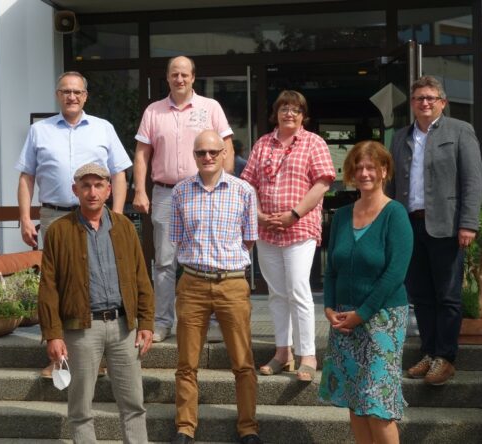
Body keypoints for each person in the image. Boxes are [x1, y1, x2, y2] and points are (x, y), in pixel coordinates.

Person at [16, 71, 132, 377]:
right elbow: (26, 176)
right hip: (55, 216)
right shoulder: (40, 131)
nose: (72, 96)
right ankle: (59, 357)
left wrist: (116, 216)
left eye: (77, 92)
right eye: (66, 91)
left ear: (85, 96)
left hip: (97, 216)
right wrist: (25, 217)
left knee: (98, 283)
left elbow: (119, 173)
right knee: (57, 286)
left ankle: (100, 356)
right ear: (57, 95)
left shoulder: (103, 128)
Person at [38, 162, 154, 444]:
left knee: (134, 404)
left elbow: (141, 276)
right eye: (86, 186)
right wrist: (53, 334)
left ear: (109, 190)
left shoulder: (124, 226)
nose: (92, 192)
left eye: (99, 185)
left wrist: (146, 322)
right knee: (80, 407)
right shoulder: (58, 231)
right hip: (81, 328)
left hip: (123, 326)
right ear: (75, 190)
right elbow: (48, 287)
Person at [386, 75, 482, 385]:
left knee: (448, 296)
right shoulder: (401, 136)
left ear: (442, 102)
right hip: (408, 224)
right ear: (412, 104)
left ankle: (446, 357)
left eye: (430, 97)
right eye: (418, 98)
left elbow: (472, 180)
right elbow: (391, 184)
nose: (424, 103)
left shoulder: (460, 131)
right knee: (421, 295)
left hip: (446, 225)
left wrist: (468, 223)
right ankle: (428, 353)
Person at [133, 55, 234, 344]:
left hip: (202, 190)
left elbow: (225, 146)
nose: (179, 79)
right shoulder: (154, 111)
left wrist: (223, 185)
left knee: (207, 256)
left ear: (193, 77)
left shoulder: (210, 107)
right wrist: (140, 190)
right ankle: (163, 322)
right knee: (164, 261)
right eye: (174, 74)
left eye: (184, 74)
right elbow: (142, 154)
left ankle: (210, 321)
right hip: (165, 192)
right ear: (167, 78)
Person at [169, 130, 261, 444]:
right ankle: (185, 427)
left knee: (243, 363)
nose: (207, 157)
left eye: (213, 152)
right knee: (186, 363)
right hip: (192, 283)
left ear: (224, 153)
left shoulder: (244, 191)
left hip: (232, 283)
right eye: (200, 153)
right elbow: (178, 238)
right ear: (193, 156)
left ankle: (248, 428)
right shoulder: (180, 192)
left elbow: (248, 240)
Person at [318, 141, 413, 444]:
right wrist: (329, 307)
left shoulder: (395, 214)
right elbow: (331, 268)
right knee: (355, 403)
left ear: (384, 170)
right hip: (345, 319)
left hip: (382, 319)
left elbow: (395, 274)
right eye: (358, 167)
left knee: (377, 407)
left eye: (371, 166)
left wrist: (363, 314)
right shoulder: (343, 215)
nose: (364, 172)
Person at [240, 90, 335, 382]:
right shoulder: (262, 143)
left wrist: (294, 214)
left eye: (295, 110)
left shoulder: (313, 142)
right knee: (277, 293)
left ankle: (308, 355)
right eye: (284, 109)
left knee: (297, 289)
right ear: (276, 113)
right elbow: (248, 184)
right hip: (267, 228)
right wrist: (257, 215)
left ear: (303, 115)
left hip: (300, 226)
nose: (289, 114)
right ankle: (283, 352)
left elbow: (322, 184)